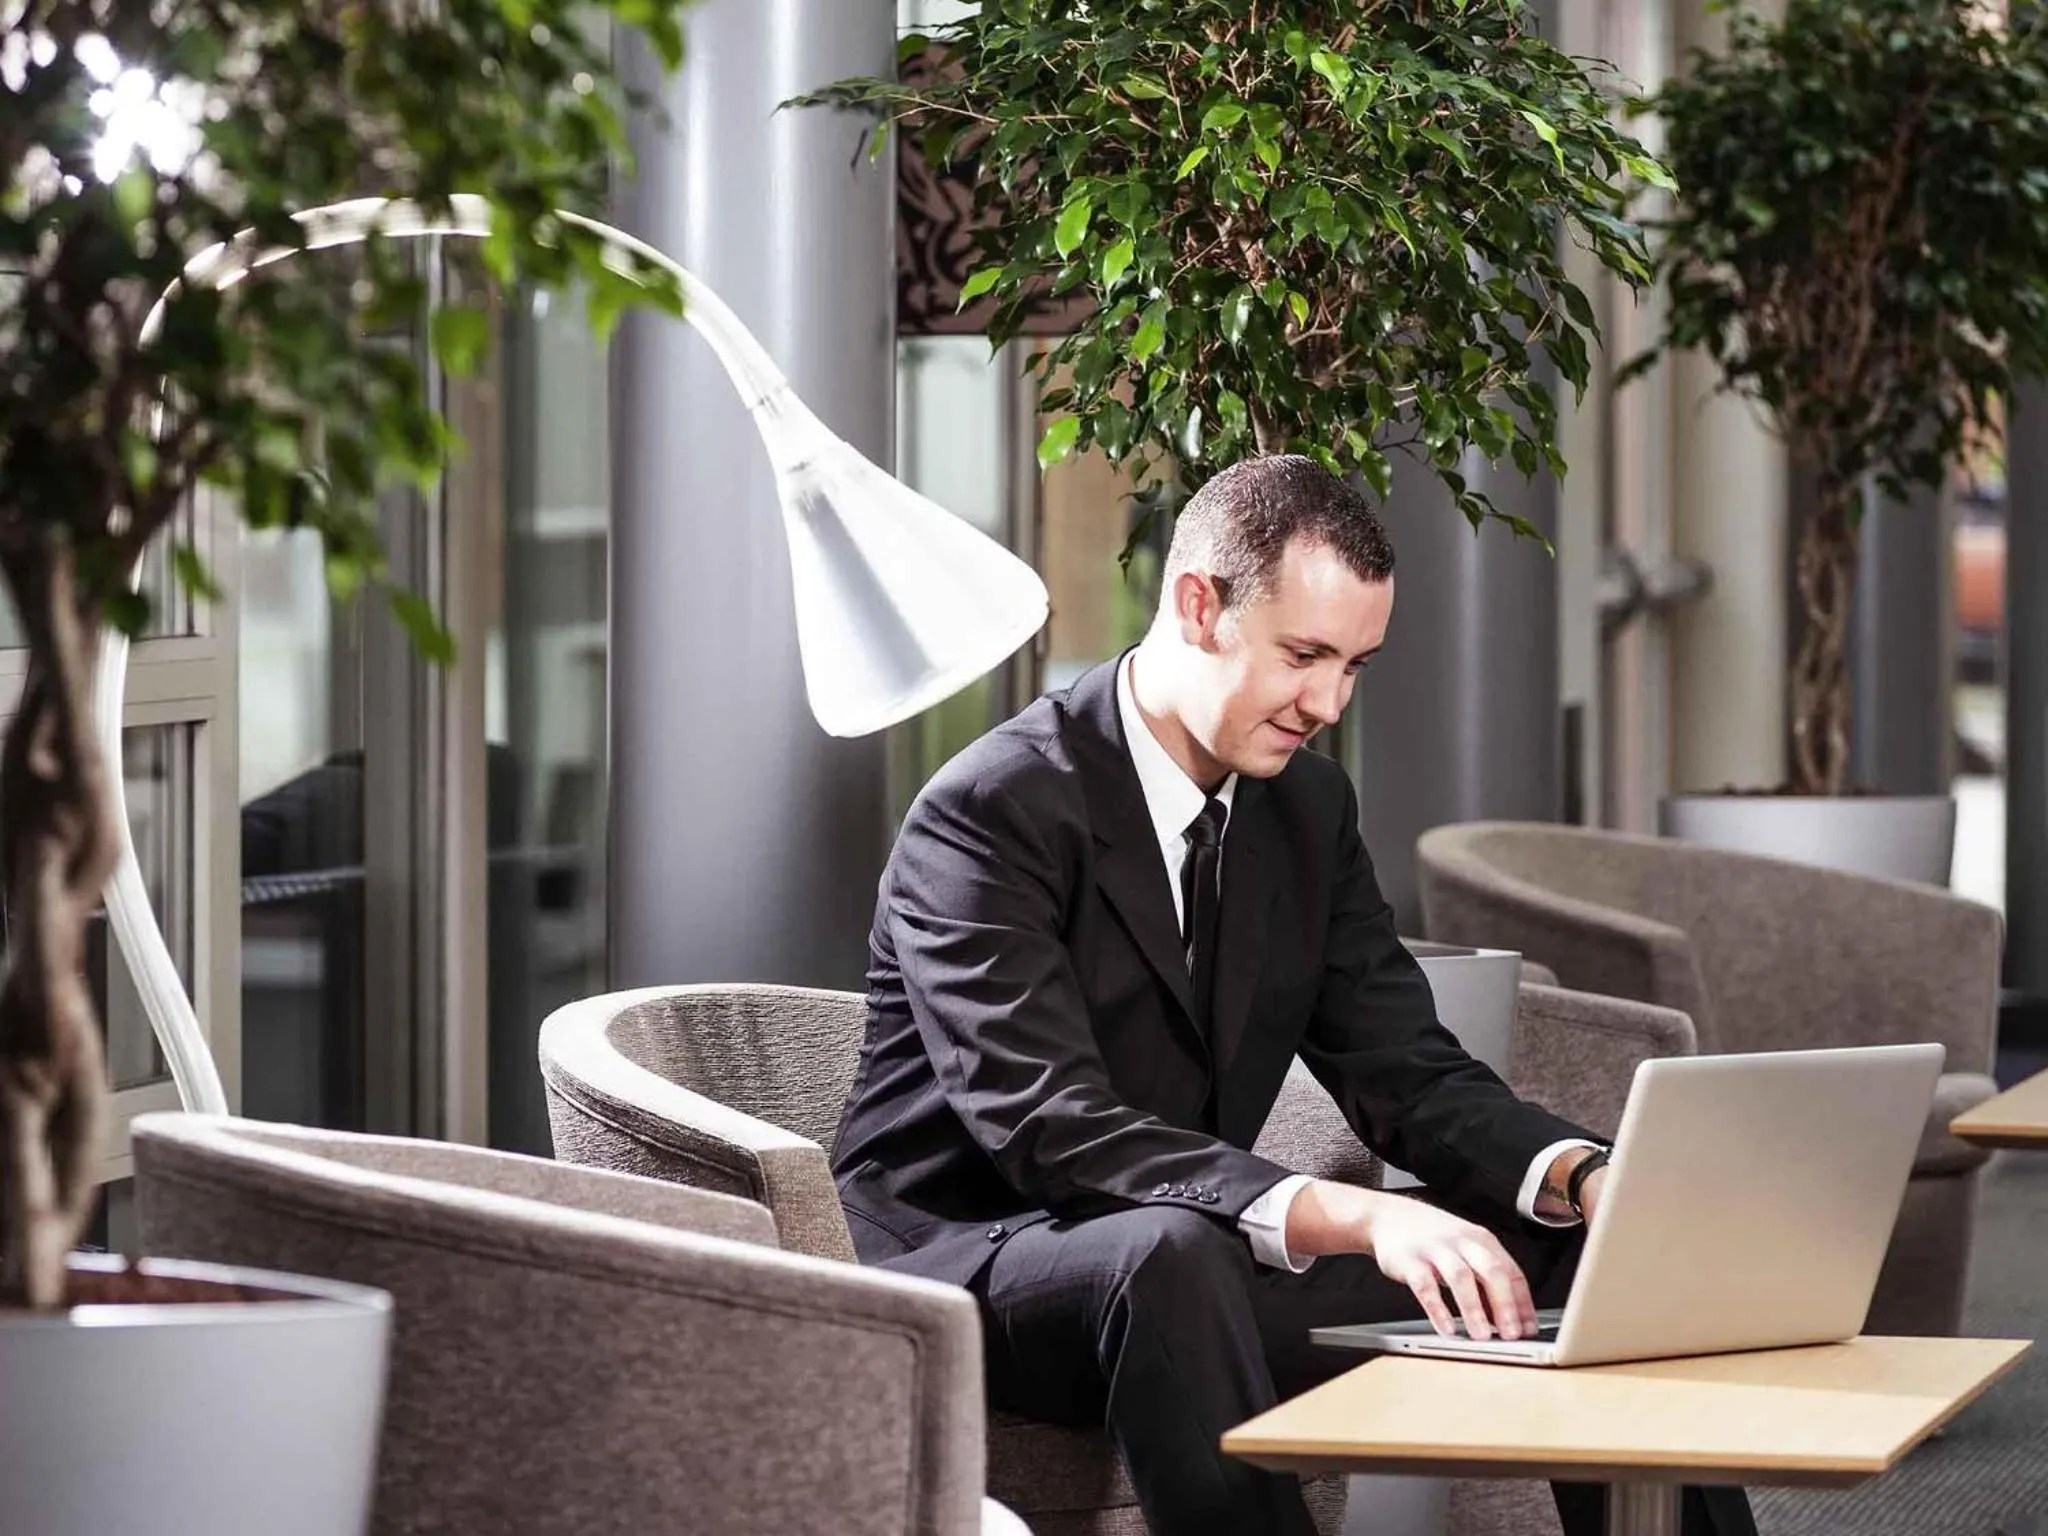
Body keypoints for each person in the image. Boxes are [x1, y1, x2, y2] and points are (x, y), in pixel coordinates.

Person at [832, 455, 1756, 1536]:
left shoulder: (1302, 807)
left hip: (1188, 1260)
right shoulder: (992, 809)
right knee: (1164, 1256)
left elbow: (1405, 1069)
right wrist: (1353, 1216)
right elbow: (1048, 1125)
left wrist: (1590, 1178)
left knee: (1576, 1247)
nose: (1325, 703)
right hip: (974, 1266)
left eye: (1354, 666)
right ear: (1197, 605)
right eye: (1304, 656)